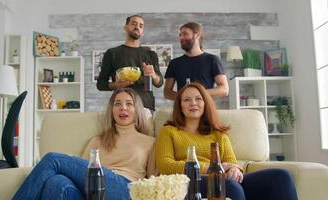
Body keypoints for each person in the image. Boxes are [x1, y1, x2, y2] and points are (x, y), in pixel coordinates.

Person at [156, 82, 298, 200]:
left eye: (198, 99)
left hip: (224, 179)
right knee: (229, 187)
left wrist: (235, 170)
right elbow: (165, 165)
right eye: (187, 100)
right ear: (180, 106)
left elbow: (232, 163)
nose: (193, 103)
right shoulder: (169, 131)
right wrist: (212, 169)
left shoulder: (218, 133)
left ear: (205, 103)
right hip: (190, 182)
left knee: (281, 177)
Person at [12, 88, 156, 200]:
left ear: (137, 110)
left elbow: (154, 179)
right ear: (111, 111)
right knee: (56, 182)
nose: (123, 108)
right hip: (93, 191)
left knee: (52, 159)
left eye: (129, 104)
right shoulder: (97, 140)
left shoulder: (150, 142)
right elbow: (81, 174)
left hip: (126, 189)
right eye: (117, 104)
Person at [97, 14, 164, 112]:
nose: (137, 27)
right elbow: (100, 84)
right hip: (122, 107)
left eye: (141, 26)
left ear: (142, 31)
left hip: (145, 106)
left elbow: (159, 83)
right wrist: (116, 85)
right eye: (134, 24)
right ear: (125, 27)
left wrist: (153, 75)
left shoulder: (151, 54)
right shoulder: (112, 53)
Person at [164, 22, 229, 100]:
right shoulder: (174, 63)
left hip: (206, 109)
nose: (181, 38)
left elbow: (224, 89)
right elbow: (167, 92)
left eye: (185, 34)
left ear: (197, 35)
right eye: (180, 35)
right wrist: (185, 97)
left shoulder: (213, 60)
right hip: (182, 110)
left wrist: (197, 93)